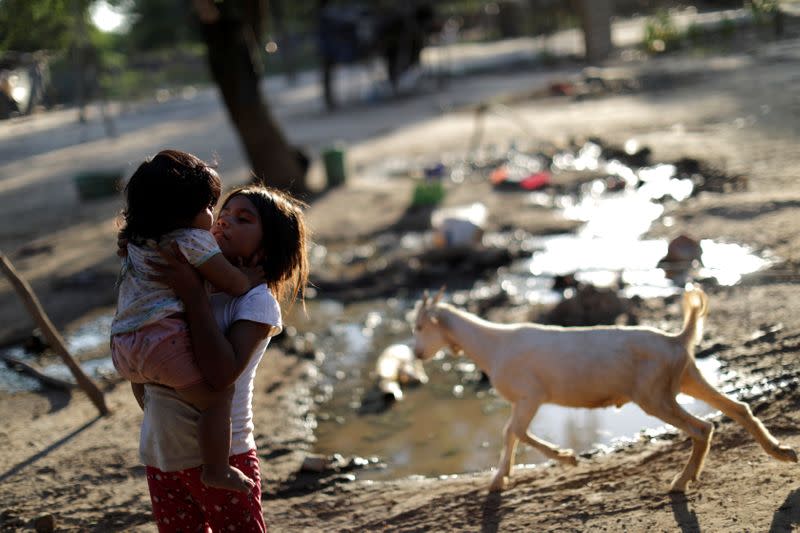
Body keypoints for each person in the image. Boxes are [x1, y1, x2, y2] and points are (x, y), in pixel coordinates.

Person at [138, 184, 309, 531]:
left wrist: (193, 296)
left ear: (265, 252)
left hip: (225, 458)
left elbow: (221, 373)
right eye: (224, 213)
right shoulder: (189, 281)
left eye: (243, 219)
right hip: (161, 455)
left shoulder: (256, 303)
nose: (225, 222)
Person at [111, 149, 263, 493]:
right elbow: (233, 283)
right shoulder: (190, 240)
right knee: (217, 399)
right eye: (209, 207)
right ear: (183, 212)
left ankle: (159, 410)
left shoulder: (136, 240)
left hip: (122, 346)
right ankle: (216, 470)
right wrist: (250, 278)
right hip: (161, 341)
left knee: (150, 386)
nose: (214, 217)